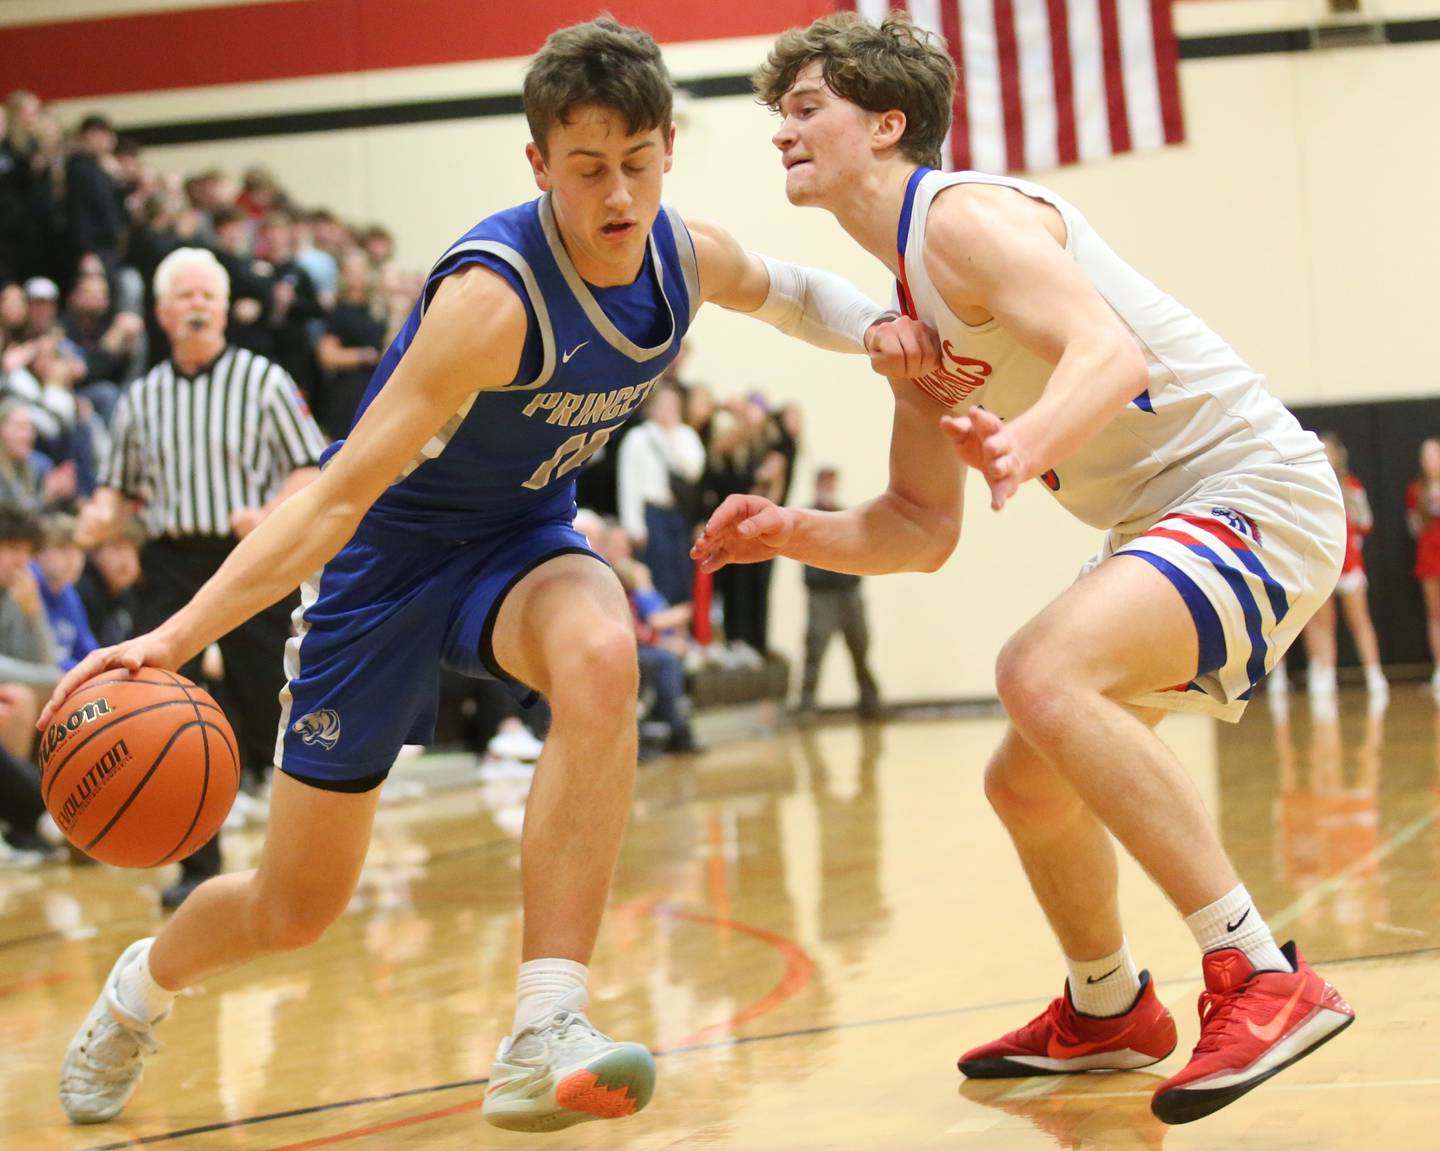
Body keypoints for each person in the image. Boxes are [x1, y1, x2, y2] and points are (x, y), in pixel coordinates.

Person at [43, 18, 936, 1134]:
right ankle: (137, 991)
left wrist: (891, 326)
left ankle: (544, 1024)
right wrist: (175, 638)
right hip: (382, 571)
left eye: (638, 164)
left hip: (516, 548)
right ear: (538, 166)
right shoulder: (492, 301)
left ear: (669, 145)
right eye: (586, 170)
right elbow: (329, 497)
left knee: (603, 647)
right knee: (292, 906)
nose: (618, 196)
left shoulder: (681, 256)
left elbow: (795, 290)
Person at [694, 11, 1354, 1125]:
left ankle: (1265, 971)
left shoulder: (966, 217)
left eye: (807, 109)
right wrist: (787, 528)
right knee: (1025, 777)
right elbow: (917, 527)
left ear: (887, 122)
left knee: (1040, 670)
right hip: (1167, 519)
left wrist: (1025, 442)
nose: (783, 133)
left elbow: (1111, 353)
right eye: (780, 115)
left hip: (1252, 489)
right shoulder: (909, 310)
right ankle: (1110, 1008)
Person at [77, 245, 326, 910]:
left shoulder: (263, 379)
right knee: (169, 717)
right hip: (169, 562)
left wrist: (271, 513)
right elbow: (118, 488)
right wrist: (98, 516)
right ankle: (197, 865)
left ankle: (298, 859)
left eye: (206, 296)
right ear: (161, 312)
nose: (196, 306)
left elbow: (309, 469)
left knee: (272, 700)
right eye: (183, 296)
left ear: (222, 308)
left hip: (248, 556)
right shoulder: (141, 396)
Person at [1297, 433, 1387, 703]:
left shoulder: (1352, 486)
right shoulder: (1307, 486)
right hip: (1320, 563)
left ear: (1338, 455)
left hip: (1349, 563)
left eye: (1329, 451)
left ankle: (1374, 675)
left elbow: (1365, 522)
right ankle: (1323, 675)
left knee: (1359, 620)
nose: (1326, 455)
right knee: (1322, 623)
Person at [797, 466, 879, 720]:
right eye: (824, 482)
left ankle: (870, 703)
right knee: (815, 652)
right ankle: (807, 706)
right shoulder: (807, 516)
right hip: (822, 597)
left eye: (832, 483)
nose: (829, 488)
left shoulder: (847, 515)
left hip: (849, 595)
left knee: (861, 649)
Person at [1407, 437, 1440, 700]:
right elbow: (1414, 527)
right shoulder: (1416, 490)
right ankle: (1439, 669)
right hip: (1429, 556)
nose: (1431, 461)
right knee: (1434, 615)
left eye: (1435, 454)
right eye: (1426, 456)